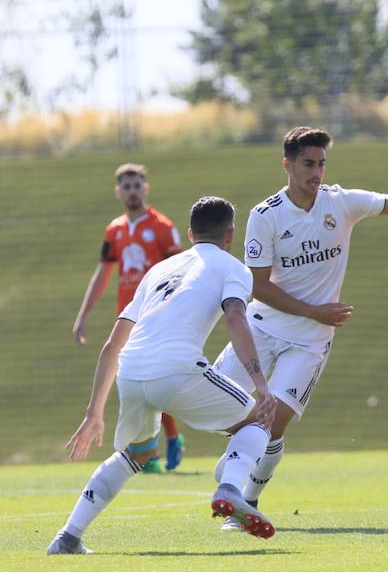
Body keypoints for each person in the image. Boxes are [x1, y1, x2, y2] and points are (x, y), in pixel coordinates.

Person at [212, 126, 388, 530]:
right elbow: (257, 284)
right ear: (287, 164)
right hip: (261, 328)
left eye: (322, 163)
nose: (316, 172)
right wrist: (312, 309)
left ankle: (244, 500)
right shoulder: (265, 215)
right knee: (225, 410)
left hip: (309, 342)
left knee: (272, 425)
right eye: (308, 163)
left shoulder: (341, 203)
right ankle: (239, 463)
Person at [47, 196, 278, 555]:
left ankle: (68, 537)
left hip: (132, 372)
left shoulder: (159, 270)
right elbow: (235, 316)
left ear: (189, 233)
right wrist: (261, 384)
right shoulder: (234, 267)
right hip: (177, 370)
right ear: (230, 235)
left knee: (137, 453)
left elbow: (113, 343)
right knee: (259, 421)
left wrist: (94, 412)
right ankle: (231, 489)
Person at [72, 163, 186, 473]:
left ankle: (168, 440)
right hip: (127, 316)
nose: (132, 191)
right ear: (118, 191)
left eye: (137, 185)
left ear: (145, 189)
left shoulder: (161, 226)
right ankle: (149, 449)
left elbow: (181, 269)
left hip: (157, 313)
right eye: (127, 186)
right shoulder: (115, 229)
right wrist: (83, 315)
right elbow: (103, 273)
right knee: (131, 378)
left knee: (154, 376)